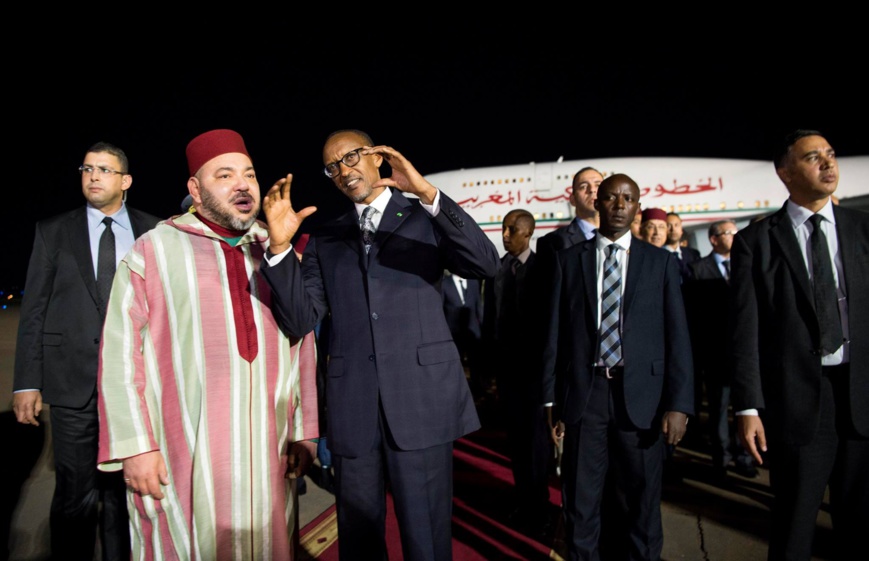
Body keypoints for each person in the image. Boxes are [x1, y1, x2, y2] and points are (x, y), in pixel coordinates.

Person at [260, 129, 500, 561]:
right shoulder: (326, 239)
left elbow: (484, 263)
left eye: (351, 157)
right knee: (360, 539)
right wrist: (279, 249)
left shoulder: (425, 217)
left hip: (421, 400)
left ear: (377, 158)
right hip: (354, 407)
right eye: (332, 166)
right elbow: (299, 320)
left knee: (426, 538)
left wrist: (427, 191)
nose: (343, 170)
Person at [96, 129, 319, 560]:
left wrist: (304, 433)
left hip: (268, 453)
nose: (243, 184)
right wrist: (136, 446)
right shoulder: (154, 251)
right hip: (184, 456)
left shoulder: (274, 249)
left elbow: (302, 348)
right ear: (195, 190)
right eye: (225, 175)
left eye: (250, 175)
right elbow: (121, 355)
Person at [12, 141, 161, 561]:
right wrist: (27, 382)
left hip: (135, 387)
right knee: (75, 494)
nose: (93, 176)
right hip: (72, 385)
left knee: (124, 494)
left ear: (125, 181)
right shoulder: (53, 231)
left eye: (105, 170)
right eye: (87, 168)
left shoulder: (155, 231)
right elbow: (35, 310)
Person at [729, 129, 869, 561]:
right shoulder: (758, 242)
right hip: (798, 403)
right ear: (785, 172)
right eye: (814, 157)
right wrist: (748, 406)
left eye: (830, 154)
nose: (829, 164)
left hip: (861, 396)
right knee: (794, 528)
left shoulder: (861, 229)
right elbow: (744, 330)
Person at [542, 173, 694, 560]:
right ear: (598, 203)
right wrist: (550, 400)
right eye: (611, 198)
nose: (619, 205)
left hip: (642, 399)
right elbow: (554, 337)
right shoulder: (568, 261)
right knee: (580, 503)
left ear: (638, 207)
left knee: (642, 503)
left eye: (628, 198)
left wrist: (679, 403)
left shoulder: (659, 262)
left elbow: (678, 337)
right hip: (585, 396)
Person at [481, 209, 552, 537]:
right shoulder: (497, 270)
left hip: (537, 375)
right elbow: (490, 323)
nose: (505, 234)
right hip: (508, 374)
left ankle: (540, 508)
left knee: (538, 445)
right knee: (517, 443)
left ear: (529, 233)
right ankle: (524, 501)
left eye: (512, 229)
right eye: (504, 228)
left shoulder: (545, 269)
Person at [685, 220, 757, 481]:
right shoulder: (696, 269)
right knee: (717, 410)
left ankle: (744, 456)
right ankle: (721, 460)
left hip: (745, 355)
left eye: (736, 232)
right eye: (729, 233)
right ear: (714, 239)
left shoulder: (747, 266)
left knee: (747, 407)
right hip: (715, 354)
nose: (734, 237)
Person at [442, 271, 485, 399]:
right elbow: (441, 309)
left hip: (472, 331)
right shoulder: (445, 284)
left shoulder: (473, 282)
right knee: (457, 365)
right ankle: (457, 393)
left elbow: (479, 307)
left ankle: (477, 390)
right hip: (454, 333)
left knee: (475, 364)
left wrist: (482, 330)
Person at [665, 212, 701, 283]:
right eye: (668, 225)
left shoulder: (693, 254)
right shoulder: (657, 256)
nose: (673, 229)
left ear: (681, 229)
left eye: (676, 225)